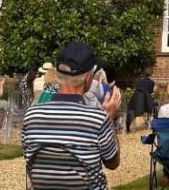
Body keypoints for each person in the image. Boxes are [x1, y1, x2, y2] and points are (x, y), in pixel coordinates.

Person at [22, 42, 121, 189]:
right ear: (88, 78)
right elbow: (113, 163)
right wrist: (110, 118)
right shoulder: (97, 119)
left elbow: (30, 158)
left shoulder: (31, 116)